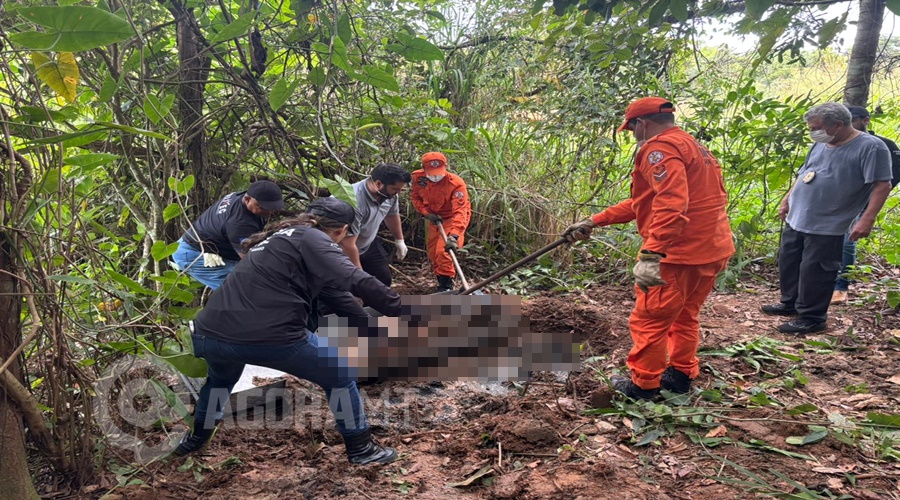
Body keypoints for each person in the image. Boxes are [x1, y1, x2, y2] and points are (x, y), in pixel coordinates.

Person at [173, 197, 401, 465]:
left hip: (211, 334)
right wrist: (403, 310)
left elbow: (338, 295)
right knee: (339, 374)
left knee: (220, 382)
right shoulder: (314, 238)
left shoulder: (278, 239)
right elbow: (355, 279)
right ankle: (361, 449)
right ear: (341, 230)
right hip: (271, 336)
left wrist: (372, 332)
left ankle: (196, 439)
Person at [564, 96, 734, 400]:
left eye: (631, 130)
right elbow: (644, 201)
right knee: (684, 315)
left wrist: (651, 253)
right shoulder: (692, 146)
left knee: (650, 320)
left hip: (678, 254)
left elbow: (672, 205)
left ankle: (643, 386)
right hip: (712, 248)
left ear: (641, 123)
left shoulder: (660, 149)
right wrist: (595, 220)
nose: (633, 136)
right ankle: (681, 375)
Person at [762, 102, 892, 333]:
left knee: (816, 270)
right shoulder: (822, 143)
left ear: (838, 125)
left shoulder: (871, 147)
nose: (813, 132)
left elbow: (882, 185)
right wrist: (787, 199)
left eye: (816, 128)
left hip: (829, 222)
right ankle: (790, 303)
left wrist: (867, 219)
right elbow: (805, 172)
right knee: (790, 261)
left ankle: (812, 317)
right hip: (798, 216)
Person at [831, 105, 900, 304]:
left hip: (862, 203)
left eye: (852, 121)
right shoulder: (836, 143)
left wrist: (870, 199)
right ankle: (825, 283)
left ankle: (841, 287)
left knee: (847, 242)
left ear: (865, 120)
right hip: (834, 202)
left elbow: (892, 177)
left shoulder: (884, 145)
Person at [171, 180, 284, 289]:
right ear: (247, 199)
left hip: (212, 245)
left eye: (273, 207)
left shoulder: (238, 196)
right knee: (242, 290)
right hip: (193, 253)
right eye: (263, 207)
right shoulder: (239, 223)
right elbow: (251, 260)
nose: (270, 211)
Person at [339, 163, 412, 287]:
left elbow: (391, 214)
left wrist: (399, 240)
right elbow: (347, 244)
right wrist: (359, 275)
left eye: (400, 190)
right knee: (351, 286)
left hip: (368, 243)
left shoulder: (389, 194)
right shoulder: (353, 201)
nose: (398, 193)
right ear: (378, 184)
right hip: (342, 248)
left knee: (383, 280)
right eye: (395, 189)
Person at [410, 152, 472, 292]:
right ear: (424, 169)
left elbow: (460, 211)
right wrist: (427, 213)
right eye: (432, 173)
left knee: (444, 252)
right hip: (434, 218)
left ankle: (446, 287)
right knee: (433, 253)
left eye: (439, 173)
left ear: (446, 167)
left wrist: (454, 235)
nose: (436, 177)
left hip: (452, 219)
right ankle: (441, 283)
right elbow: (415, 197)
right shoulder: (418, 178)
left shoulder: (456, 184)